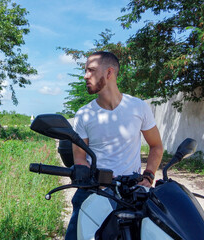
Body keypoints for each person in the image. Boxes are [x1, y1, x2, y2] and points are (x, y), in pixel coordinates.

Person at [65, 51, 164, 239]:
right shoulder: (84, 114)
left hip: (131, 191)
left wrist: (148, 177)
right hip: (93, 190)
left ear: (109, 73)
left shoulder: (138, 107)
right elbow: (79, 157)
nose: (85, 76)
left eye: (91, 70)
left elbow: (156, 146)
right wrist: (89, 177)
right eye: (85, 71)